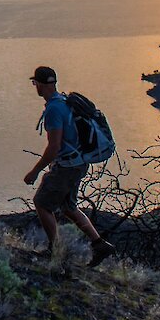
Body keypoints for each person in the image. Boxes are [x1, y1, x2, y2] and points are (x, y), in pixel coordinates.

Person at [24, 66, 115, 267]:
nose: (35, 87)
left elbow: (54, 146)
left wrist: (35, 171)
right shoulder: (64, 102)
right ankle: (100, 244)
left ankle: (55, 250)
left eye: (35, 83)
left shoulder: (53, 110)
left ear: (39, 84)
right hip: (79, 163)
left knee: (42, 203)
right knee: (68, 207)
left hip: (67, 167)